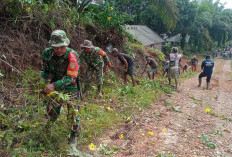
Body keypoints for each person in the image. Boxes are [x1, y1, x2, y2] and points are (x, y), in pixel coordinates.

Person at [40, 30, 80, 144]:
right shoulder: (47, 53)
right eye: (55, 47)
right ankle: (48, 129)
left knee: (73, 112)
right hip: (54, 84)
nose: (58, 50)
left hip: (70, 86)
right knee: (52, 110)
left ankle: (73, 136)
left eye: (61, 47)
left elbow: (71, 77)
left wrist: (54, 85)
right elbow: (45, 70)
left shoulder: (72, 55)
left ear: (66, 44)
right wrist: (42, 82)